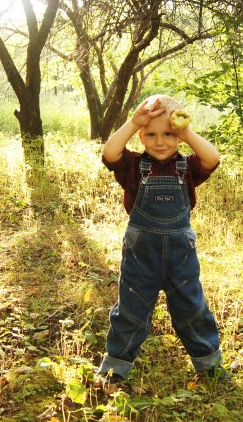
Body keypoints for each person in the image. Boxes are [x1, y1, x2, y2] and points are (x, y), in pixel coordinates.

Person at [97, 94, 227, 387]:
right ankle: (116, 365)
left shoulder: (187, 167)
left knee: (191, 307)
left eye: (168, 134)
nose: (160, 141)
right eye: (151, 134)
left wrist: (187, 131)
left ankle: (209, 364)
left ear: (179, 137)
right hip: (141, 254)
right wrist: (133, 122)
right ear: (141, 136)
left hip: (180, 256)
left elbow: (213, 158)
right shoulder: (133, 165)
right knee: (131, 307)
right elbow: (109, 152)